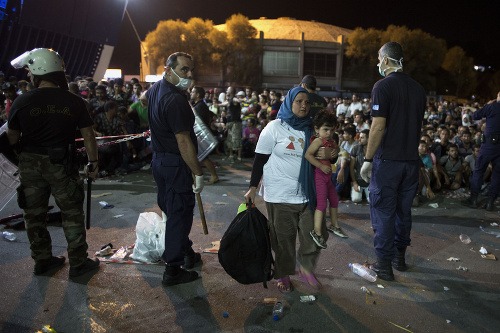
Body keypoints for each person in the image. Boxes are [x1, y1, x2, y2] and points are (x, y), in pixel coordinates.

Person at [6, 48, 100, 277]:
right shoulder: (74, 101)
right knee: (71, 212)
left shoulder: (22, 100)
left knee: (34, 215)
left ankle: (42, 260)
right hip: (62, 164)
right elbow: (89, 135)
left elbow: (12, 136)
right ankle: (78, 263)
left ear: (37, 72)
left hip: (30, 164)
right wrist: (93, 162)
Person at [244, 86, 325, 292]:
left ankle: (306, 269)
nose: (304, 105)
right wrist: (253, 188)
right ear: (289, 103)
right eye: (299, 101)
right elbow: (259, 160)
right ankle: (283, 274)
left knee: (314, 236)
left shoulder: (312, 129)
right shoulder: (274, 128)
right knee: (283, 241)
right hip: (280, 196)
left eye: (307, 102)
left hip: (308, 195)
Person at [360, 42, 426, 281]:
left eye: (379, 58)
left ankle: (384, 265)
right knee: (402, 212)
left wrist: (367, 159)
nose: (378, 63)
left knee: (384, 214)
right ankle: (400, 258)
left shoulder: (382, 86)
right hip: (411, 162)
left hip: (388, 162)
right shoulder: (419, 89)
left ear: (386, 60)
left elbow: (378, 126)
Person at [145, 52, 203, 286]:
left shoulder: (156, 89)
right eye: (184, 70)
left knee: (172, 209)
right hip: (174, 163)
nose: (189, 75)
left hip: (160, 161)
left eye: (190, 70)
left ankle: (186, 252)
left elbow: (143, 100)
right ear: (168, 70)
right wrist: (198, 172)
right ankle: (173, 269)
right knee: (179, 214)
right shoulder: (176, 100)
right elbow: (183, 141)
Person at [305, 110, 338, 249]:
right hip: (319, 175)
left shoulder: (329, 141)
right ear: (317, 129)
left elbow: (332, 157)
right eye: (325, 129)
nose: (329, 133)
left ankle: (334, 225)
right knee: (321, 204)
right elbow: (308, 155)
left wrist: (334, 153)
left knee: (335, 200)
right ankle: (317, 231)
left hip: (328, 176)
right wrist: (320, 166)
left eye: (331, 130)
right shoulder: (318, 140)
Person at [462, 92, 500, 211]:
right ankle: (490, 202)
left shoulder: (492, 106)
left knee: (478, 170)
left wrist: (488, 104)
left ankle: (473, 199)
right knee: (497, 175)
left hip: (489, 145)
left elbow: (475, 115)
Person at [190, 86, 219, 184]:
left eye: (193, 92)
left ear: (197, 95)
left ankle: (214, 176)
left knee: (203, 157)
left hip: (200, 135)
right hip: (200, 135)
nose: (191, 94)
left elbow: (198, 122)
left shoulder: (199, 106)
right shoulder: (199, 105)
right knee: (200, 157)